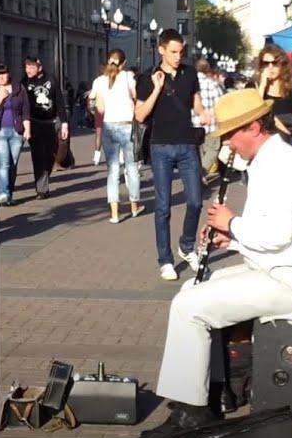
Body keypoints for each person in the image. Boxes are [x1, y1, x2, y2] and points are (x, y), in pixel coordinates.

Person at [154, 88, 292, 431]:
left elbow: (277, 237)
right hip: (276, 269)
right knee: (194, 285)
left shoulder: (281, 165)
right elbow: (268, 234)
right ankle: (215, 392)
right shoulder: (268, 161)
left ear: (254, 128)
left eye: (231, 134)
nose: (227, 143)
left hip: (289, 280)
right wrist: (231, 238)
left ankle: (192, 410)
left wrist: (230, 222)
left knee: (189, 308)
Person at [135, 29, 212, 281]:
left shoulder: (189, 73)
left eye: (181, 52)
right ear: (161, 50)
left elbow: (195, 101)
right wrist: (157, 88)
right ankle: (165, 260)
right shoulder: (147, 78)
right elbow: (140, 115)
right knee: (163, 206)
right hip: (161, 147)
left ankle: (187, 246)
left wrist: (202, 112)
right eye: (173, 52)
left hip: (187, 144)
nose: (178, 57)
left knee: (195, 201)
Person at [93, 49, 144, 223]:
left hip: (109, 126)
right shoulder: (128, 77)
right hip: (127, 125)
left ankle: (114, 213)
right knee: (131, 167)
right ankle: (134, 206)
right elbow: (137, 97)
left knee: (112, 170)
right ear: (123, 63)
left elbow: (99, 108)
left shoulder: (99, 81)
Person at [21, 56, 69, 199]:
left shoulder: (51, 80)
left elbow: (59, 102)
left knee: (50, 154)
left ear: (39, 67)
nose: (28, 70)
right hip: (34, 123)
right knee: (38, 156)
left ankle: (44, 176)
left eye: (31, 67)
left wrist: (64, 123)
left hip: (51, 123)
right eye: (26, 67)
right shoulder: (24, 82)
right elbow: (21, 104)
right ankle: (41, 189)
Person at [249, 44, 292, 148]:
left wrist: (275, 122)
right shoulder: (253, 87)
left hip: (285, 146)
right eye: (266, 64)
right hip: (259, 147)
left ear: (282, 64)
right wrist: (263, 86)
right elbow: (251, 113)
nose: (270, 67)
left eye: (274, 63)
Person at [0, 63, 31, 205]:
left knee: (13, 163)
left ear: (9, 74)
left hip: (17, 132)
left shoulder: (18, 88)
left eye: (3, 74)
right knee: (3, 163)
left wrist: (27, 129)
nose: (1, 77)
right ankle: (3, 194)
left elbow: (25, 110)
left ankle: (8, 191)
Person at [194, 58, 224, 185]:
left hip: (194, 124)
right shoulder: (213, 84)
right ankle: (200, 173)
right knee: (212, 150)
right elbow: (220, 104)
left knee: (198, 152)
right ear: (208, 69)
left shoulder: (191, 83)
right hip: (211, 124)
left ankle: (198, 175)